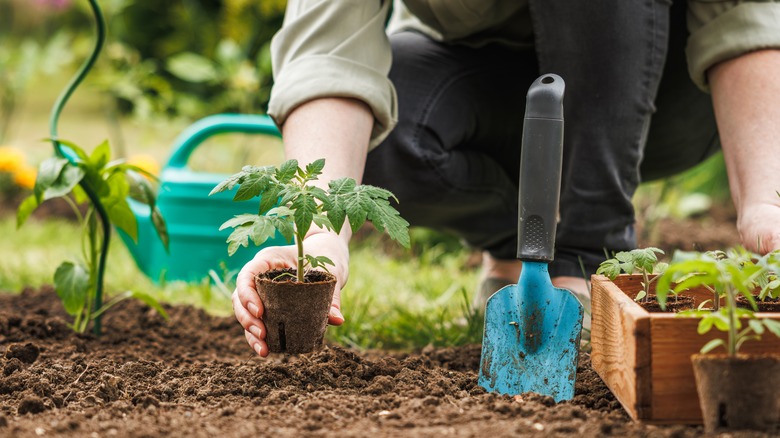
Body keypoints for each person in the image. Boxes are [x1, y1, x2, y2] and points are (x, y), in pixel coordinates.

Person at [233, 0, 780, 357]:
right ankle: (521, 250)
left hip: (662, 93)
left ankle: (586, 256)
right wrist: (324, 241)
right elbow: (329, 52)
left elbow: (744, 18)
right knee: (393, 132)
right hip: (484, 83)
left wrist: (765, 202)